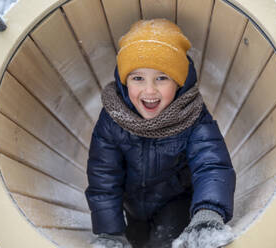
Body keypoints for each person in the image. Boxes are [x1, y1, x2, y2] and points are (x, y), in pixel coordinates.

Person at [85, 19, 236, 248]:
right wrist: (110, 233)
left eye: (162, 78)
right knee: (136, 242)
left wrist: (208, 211)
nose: (149, 90)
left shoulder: (192, 116)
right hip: (133, 207)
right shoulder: (113, 118)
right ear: (125, 82)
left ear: (178, 82)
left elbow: (211, 165)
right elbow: (104, 177)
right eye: (138, 78)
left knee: (162, 242)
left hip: (175, 202)